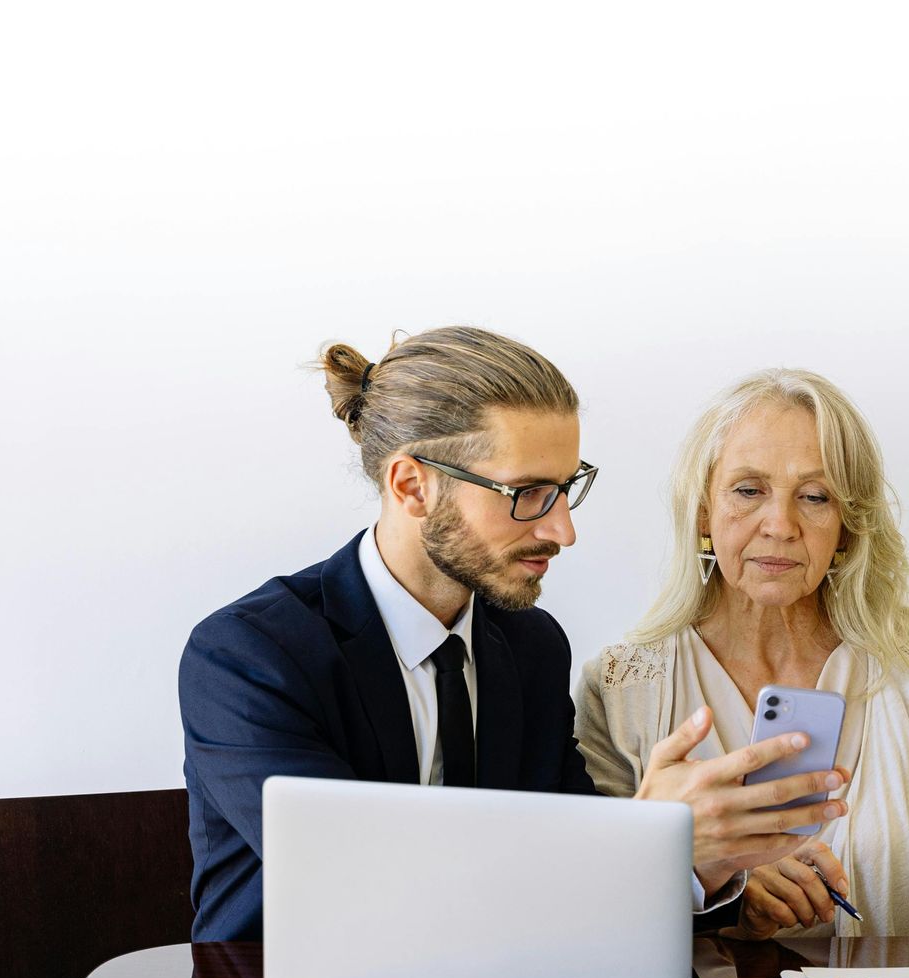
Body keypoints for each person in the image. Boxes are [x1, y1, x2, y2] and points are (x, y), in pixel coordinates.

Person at [179, 327, 845, 942]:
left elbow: (581, 893)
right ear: (412, 485)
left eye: (565, 488)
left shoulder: (529, 650)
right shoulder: (249, 658)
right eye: (527, 493)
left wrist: (705, 861)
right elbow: (366, 894)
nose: (563, 530)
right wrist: (648, 838)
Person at [576, 370, 909, 938]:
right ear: (702, 511)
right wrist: (713, 874)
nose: (780, 525)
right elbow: (597, 918)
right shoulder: (622, 689)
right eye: (748, 491)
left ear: (847, 525)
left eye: (815, 497)